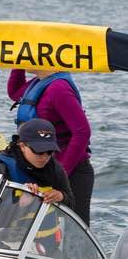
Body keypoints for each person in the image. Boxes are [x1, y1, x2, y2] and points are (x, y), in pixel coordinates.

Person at [8, 69, 93, 224]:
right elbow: (14, 92)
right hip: (44, 167)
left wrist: (61, 174)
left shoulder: (59, 88)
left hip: (72, 171)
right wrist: (18, 63)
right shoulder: (38, 82)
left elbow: (82, 132)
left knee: (74, 236)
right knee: (41, 230)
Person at [0, 118, 75, 256]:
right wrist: (20, 204)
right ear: (22, 146)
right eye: (38, 151)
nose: (44, 157)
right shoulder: (1, 169)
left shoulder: (55, 169)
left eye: (49, 151)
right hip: (5, 248)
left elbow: (71, 204)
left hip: (47, 249)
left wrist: (61, 196)